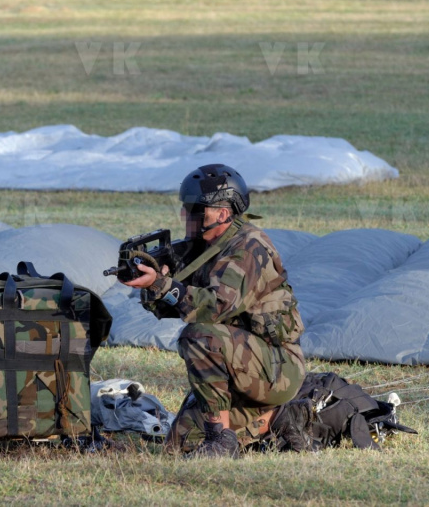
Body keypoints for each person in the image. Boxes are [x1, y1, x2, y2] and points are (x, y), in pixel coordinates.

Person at [122, 164, 306, 457]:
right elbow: (174, 306)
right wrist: (156, 284)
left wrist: (164, 284)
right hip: (239, 361)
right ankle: (274, 420)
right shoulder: (205, 246)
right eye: (187, 209)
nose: (188, 216)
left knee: (199, 337)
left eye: (197, 210)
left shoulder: (248, 247)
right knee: (178, 445)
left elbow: (214, 309)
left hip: (277, 365)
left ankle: (221, 439)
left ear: (222, 213)